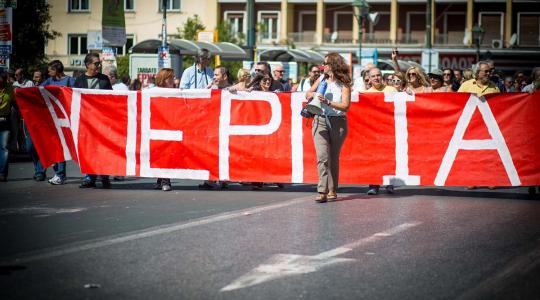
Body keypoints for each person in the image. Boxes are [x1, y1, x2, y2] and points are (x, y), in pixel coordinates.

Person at [306, 53, 351, 203]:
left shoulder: (343, 84)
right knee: (322, 157)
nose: (323, 66)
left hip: (338, 122)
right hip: (320, 120)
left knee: (333, 158)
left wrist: (328, 102)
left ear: (334, 65)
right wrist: (312, 95)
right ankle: (322, 190)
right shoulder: (321, 79)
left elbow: (345, 106)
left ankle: (333, 189)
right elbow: (308, 93)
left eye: (325, 63)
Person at [458, 61, 500, 191]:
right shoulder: (466, 86)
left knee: (489, 154)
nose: (488, 73)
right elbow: (456, 103)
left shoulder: (494, 87)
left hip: (488, 126)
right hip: (470, 125)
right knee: (471, 154)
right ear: (477, 72)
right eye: (485, 71)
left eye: (489, 71)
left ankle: (490, 179)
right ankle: (472, 180)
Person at [74, 53, 114, 189]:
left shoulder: (104, 80)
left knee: (103, 149)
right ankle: (89, 177)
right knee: (88, 150)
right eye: (96, 63)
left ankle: (104, 176)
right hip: (86, 122)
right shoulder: (79, 81)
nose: (99, 65)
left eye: (99, 63)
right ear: (88, 65)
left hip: (102, 122)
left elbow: (112, 99)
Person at [39, 60, 76, 185]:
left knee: (71, 146)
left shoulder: (70, 81)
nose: (48, 72)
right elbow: (38, 90)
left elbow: (76, 95)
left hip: (67, 118)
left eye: (51, 70)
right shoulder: (50, 81)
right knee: (59, 146)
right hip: (54, 118)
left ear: (57, 70)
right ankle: (60, 174)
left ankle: (90, 174)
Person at [364, 67, 398, 195]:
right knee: (373, 158)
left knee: (389, 157)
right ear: (369, 79)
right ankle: (374, 185)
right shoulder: (366, 94)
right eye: (373, 76)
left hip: (389, 129)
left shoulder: (392, 90)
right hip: (373, 132)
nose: (376, 78)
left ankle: (390, 184)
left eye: (378, 75)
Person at [199, 66, 233, 190]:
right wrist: (207, 88)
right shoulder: (211, 88)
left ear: (225, 76)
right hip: (212, 127)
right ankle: (210, 180)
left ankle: (224, 179)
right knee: (210, 153)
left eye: (217, 75)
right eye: (213, 74)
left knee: (225, 153)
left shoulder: (232, 89)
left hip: (226, 127)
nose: (214, 77)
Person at [151, 68, 177, 192]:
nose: (173, 80)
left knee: (167, 154)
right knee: (161, 154)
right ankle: (162, 180)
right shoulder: (153, 92)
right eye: (170, 78)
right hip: (157, 127)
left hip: (171, 127)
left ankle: (164, 180)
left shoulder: (176, 92)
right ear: (163, 79)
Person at [0, 74, 13, 182]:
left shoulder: (10, 88)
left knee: (4, 148)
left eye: (3, 80)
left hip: (5, 121)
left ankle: (2, 174)